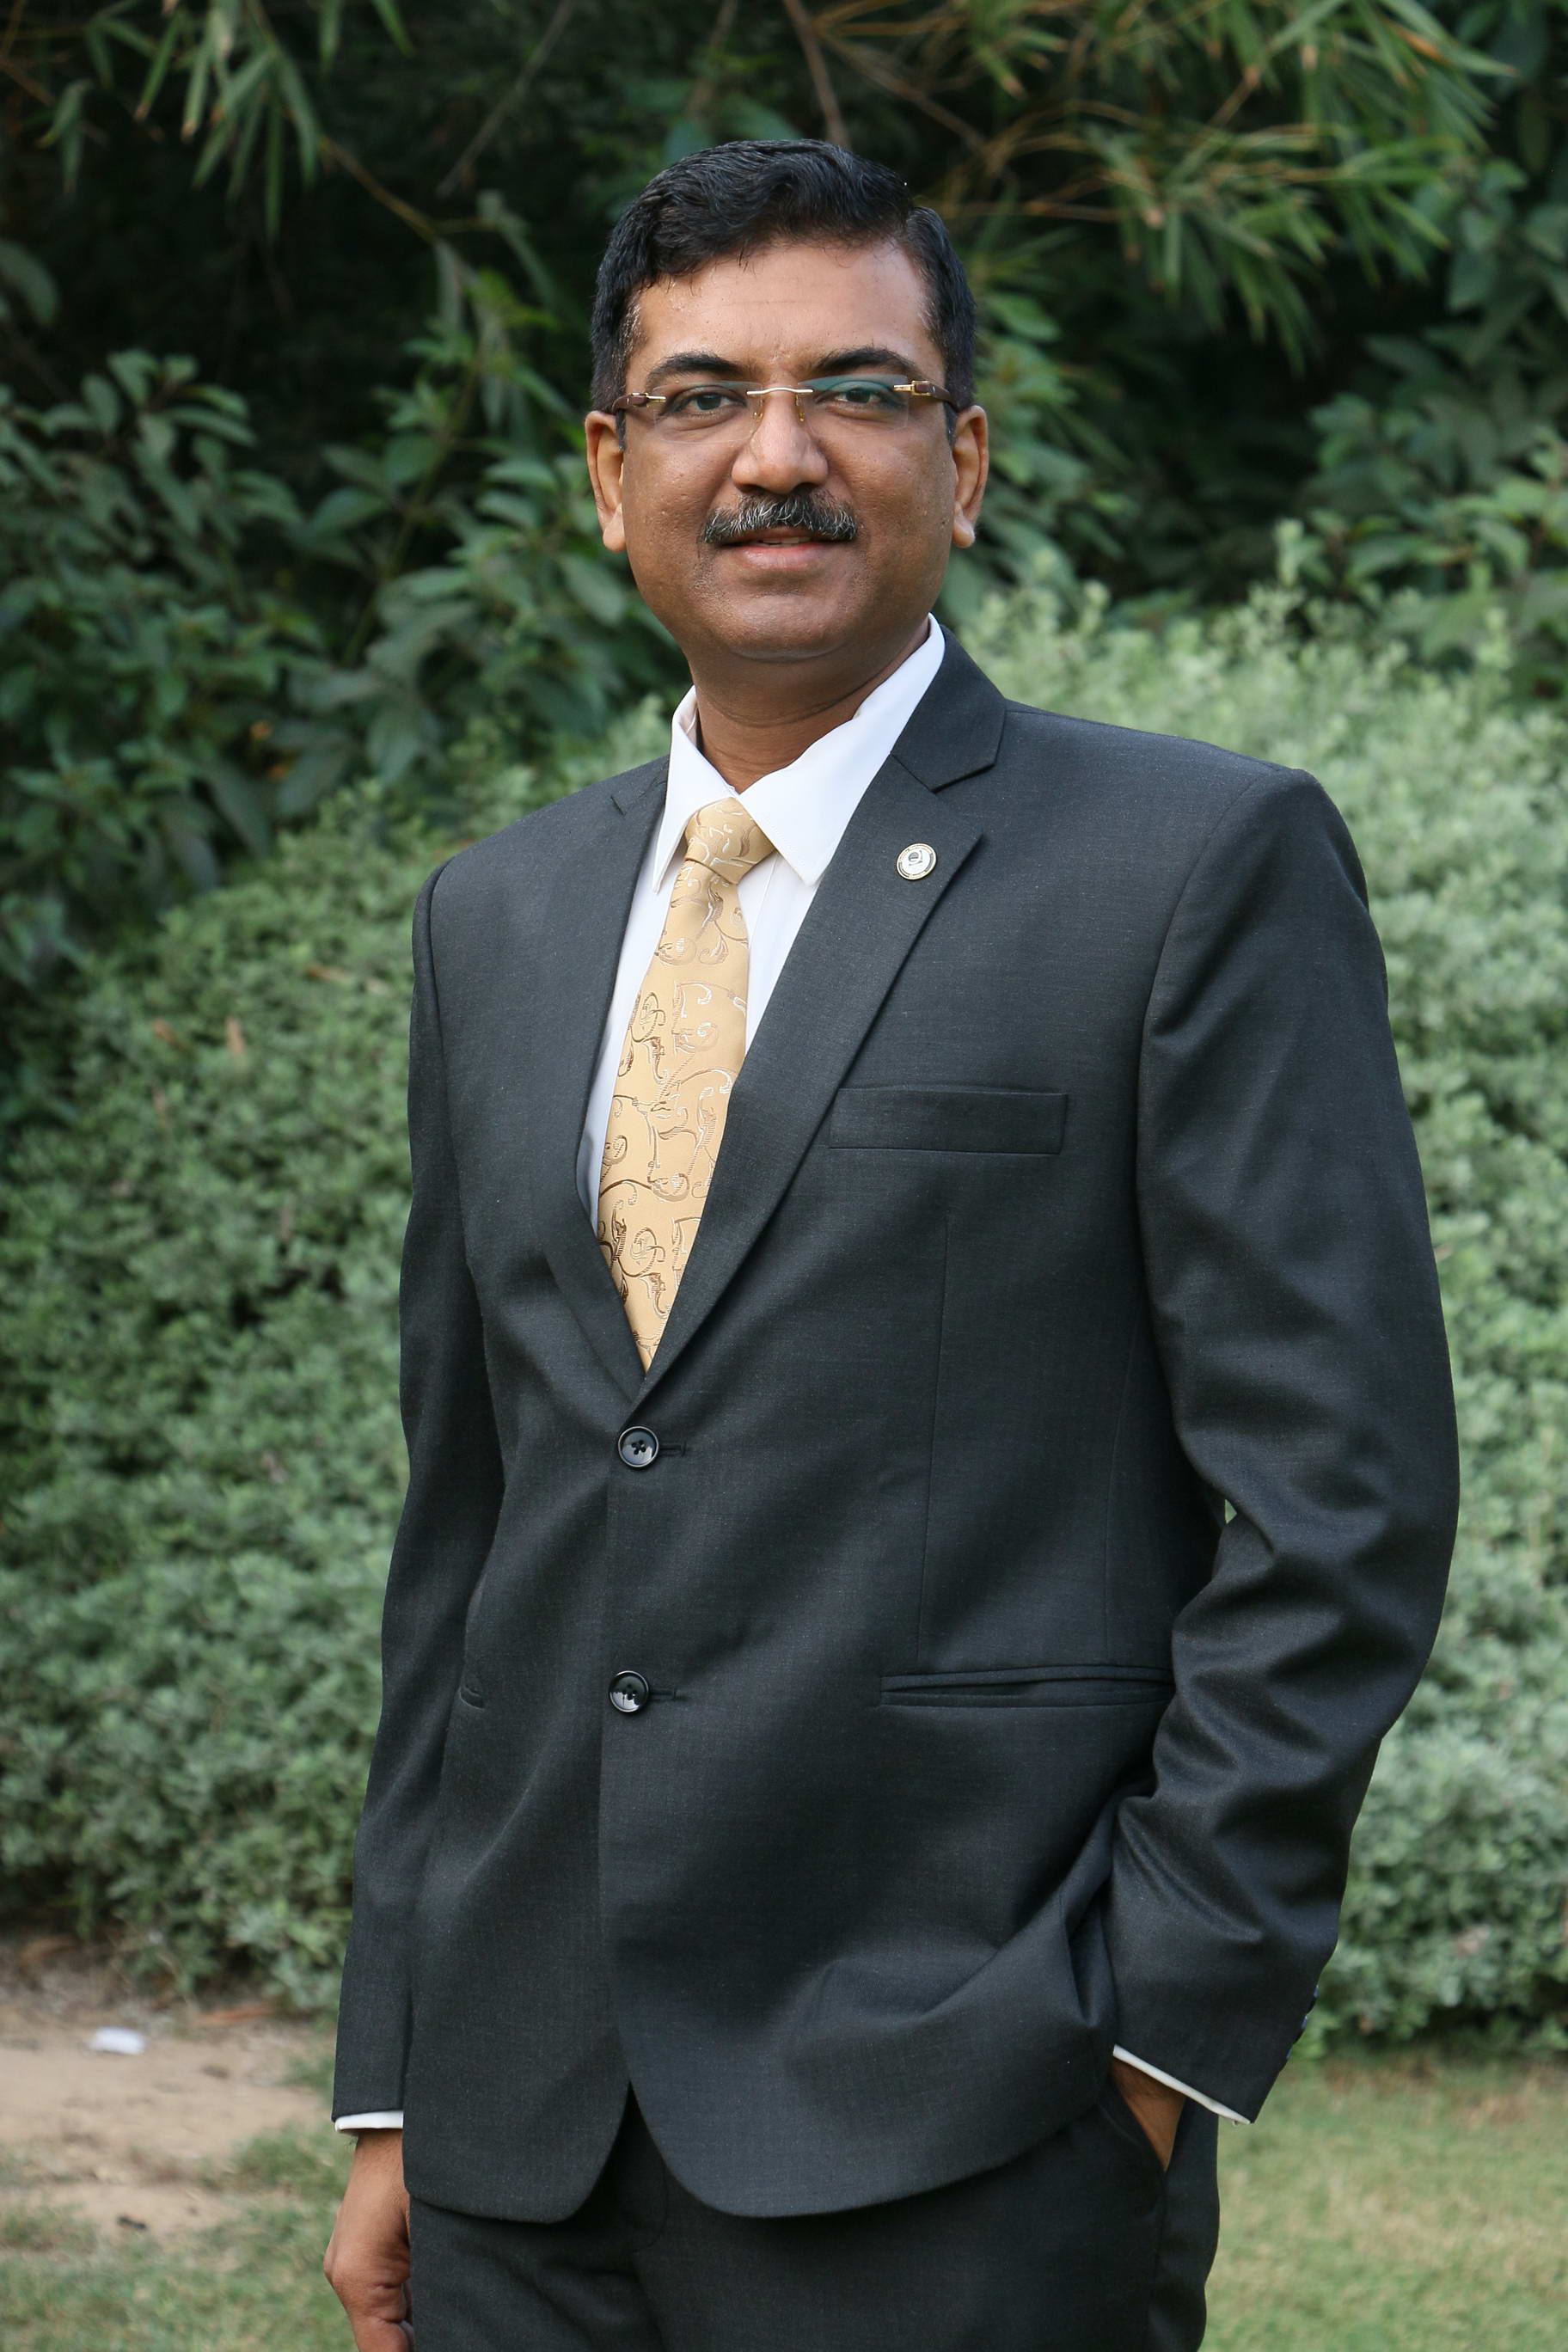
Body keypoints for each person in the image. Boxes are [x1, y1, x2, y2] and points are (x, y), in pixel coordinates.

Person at [322, 139, 1458, 2352]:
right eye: (700, 399)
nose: (776, 457)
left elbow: (1344, 1506)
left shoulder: (1190, 867)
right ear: (609, 473)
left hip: (968, 2121)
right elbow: (469, 1531)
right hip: (519, 2141)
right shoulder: (499, 918)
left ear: (965, 457)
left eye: (854, 390)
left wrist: (1148, 2038)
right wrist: (396, 2078)